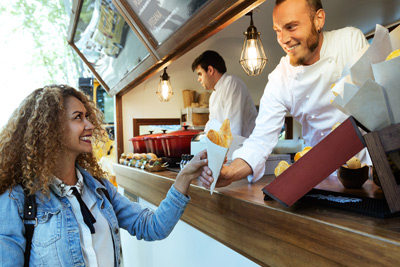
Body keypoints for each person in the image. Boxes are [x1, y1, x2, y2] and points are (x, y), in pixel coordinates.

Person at [0, 85, 208, 266]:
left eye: (87, 116)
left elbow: (153, 227)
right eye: (78, 117)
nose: (89, 125)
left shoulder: (100, 190)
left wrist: (184, 177)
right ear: (51, 129)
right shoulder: (17, 200)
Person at [199, 0, 370, 188]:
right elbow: (260, 140)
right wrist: (231, 172)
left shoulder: (349, 42)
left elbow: (374, 110)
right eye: (278, 30)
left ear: (318, 20)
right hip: (319, 179)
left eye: (291, 26)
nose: (283, 39)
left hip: (366, 173)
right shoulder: (281, 77)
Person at [192, 50, 258, 138]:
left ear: (210, 70)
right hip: (225, 146)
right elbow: (210, 127)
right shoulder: (213, 95)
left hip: (244, 146)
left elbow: (232, 129)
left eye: (200, 74)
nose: (198, 79)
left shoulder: (232, 83)